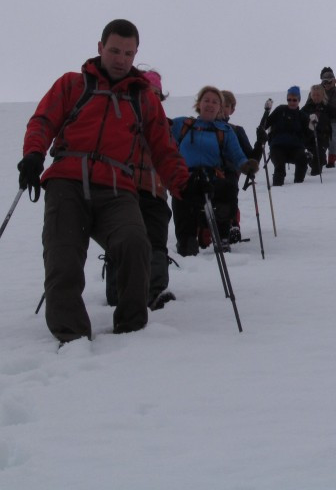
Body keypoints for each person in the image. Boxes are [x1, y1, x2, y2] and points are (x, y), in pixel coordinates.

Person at [18, 19, 192, 344]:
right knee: (64, 257)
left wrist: (185, 186)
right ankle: (72, 337)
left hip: (117, 188)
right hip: (67, 181)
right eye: (114, 50)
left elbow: (163, 149)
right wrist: (33, 155)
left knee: (134, 243)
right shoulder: (72, 85)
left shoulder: (144, 99)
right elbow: (43, 120)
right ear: (100, 48)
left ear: (135, 53)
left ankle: (131, 328)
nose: (120, 59)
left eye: (128, 53)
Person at [104, 69, 176, 311]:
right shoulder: (122, 120)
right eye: (148, 92)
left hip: (155, 190)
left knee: (155, 239)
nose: (152, 97)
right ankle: (117, 293)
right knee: (123, 241)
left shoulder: (167, 126)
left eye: (156, 93)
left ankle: (154, 291)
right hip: (123, 188)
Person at [170, 86, 258, 256]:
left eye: (215, 102)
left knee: (227, 190)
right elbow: (159, 130)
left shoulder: (225, 131)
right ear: (199, 103)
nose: (210, 105)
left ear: (220, 107)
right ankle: (186, 243)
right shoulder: (183, 124)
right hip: (186, 176)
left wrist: (247, 166)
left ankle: (222, 237)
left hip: (212, 176)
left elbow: (237, 154)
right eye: (207, 100)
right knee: (182, 201)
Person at [220, 89, 256, 240]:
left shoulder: (236, 130)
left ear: (232, 110)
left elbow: (250, 156)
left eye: (226, 106)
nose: (222, 109)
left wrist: (260, 144)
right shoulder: (199, 127)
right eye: (220, 104)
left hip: (230, 170)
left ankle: (232, 223)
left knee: (229, 194)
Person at [264, 86, 310, 186]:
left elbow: (309, 134)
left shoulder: (302, 116)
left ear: (299, 100)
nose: (292, 102)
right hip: (277, 146)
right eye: (289, 99)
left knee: (302, 159)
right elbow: (264, 125)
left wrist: (313, 125)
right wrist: (266, 112)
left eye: (294, 100)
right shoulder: (280, 110)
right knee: (279, 166)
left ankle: (299, 185)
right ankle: (277, 187)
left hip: (296, 147)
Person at [301, 84, 335, 176]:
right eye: (314, 95)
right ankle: (314, 172)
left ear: (322, 95)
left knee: (320, 156)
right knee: (316, 156)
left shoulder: (327, 107)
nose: (316, 97)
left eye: (318, 95)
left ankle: (315, 172)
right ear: (311, 95)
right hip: (308, 136)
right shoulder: (306, 108)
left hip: (323, 136)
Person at [317, 67, 336, 167]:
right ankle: (321, 159)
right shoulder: (316, 92)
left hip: (334, 121)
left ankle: (331, 161)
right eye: (324, 82)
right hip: (321, 121)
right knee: (321, 140)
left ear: (334, 81)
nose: (327, 84)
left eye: (329, 82)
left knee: (332, 140)